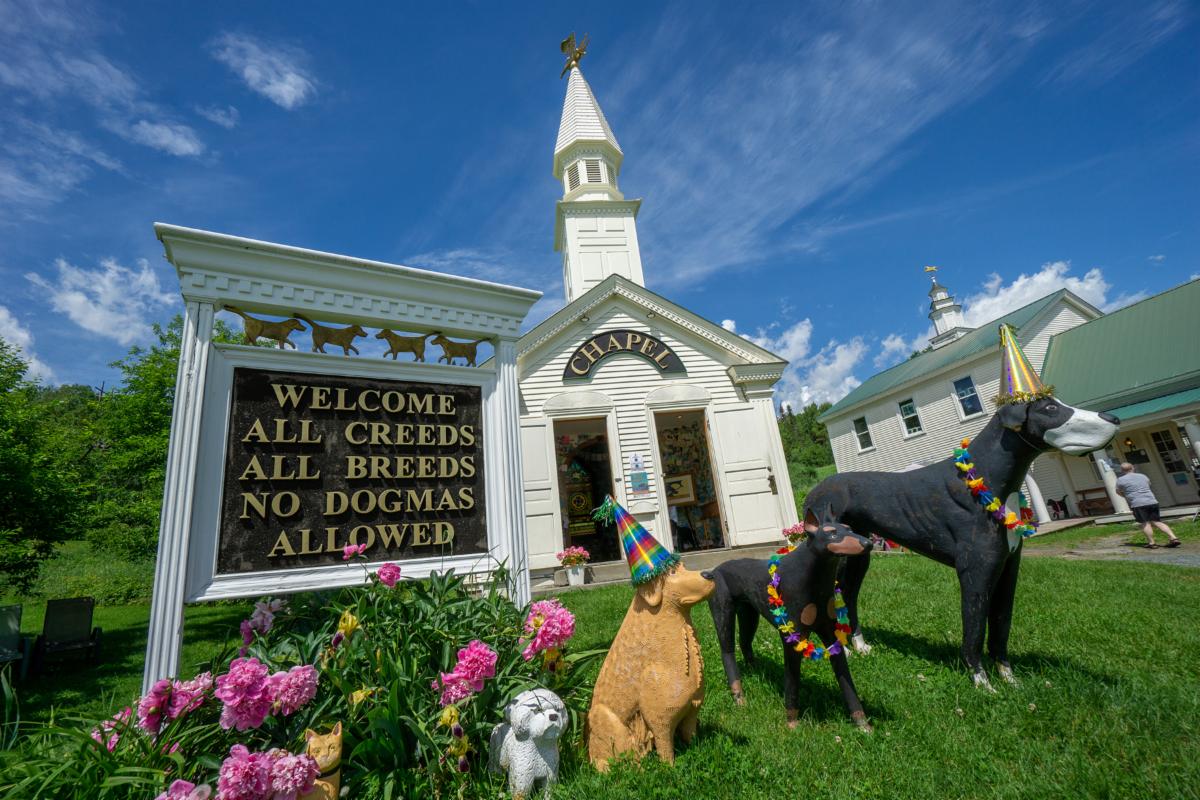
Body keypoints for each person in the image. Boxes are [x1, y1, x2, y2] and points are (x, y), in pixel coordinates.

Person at [1114, 462, 1181, 548]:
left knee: (1145, 523)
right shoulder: (1143, 476)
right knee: (1157, 521)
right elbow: (1148, 485)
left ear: (1122, 470)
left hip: (1138, 504)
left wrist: (1126, 496)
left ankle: (1152, 543)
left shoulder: (1121, 480)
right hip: (1152, 501)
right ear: (1132, 468)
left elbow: (1118, 491)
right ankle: (1173, 537)